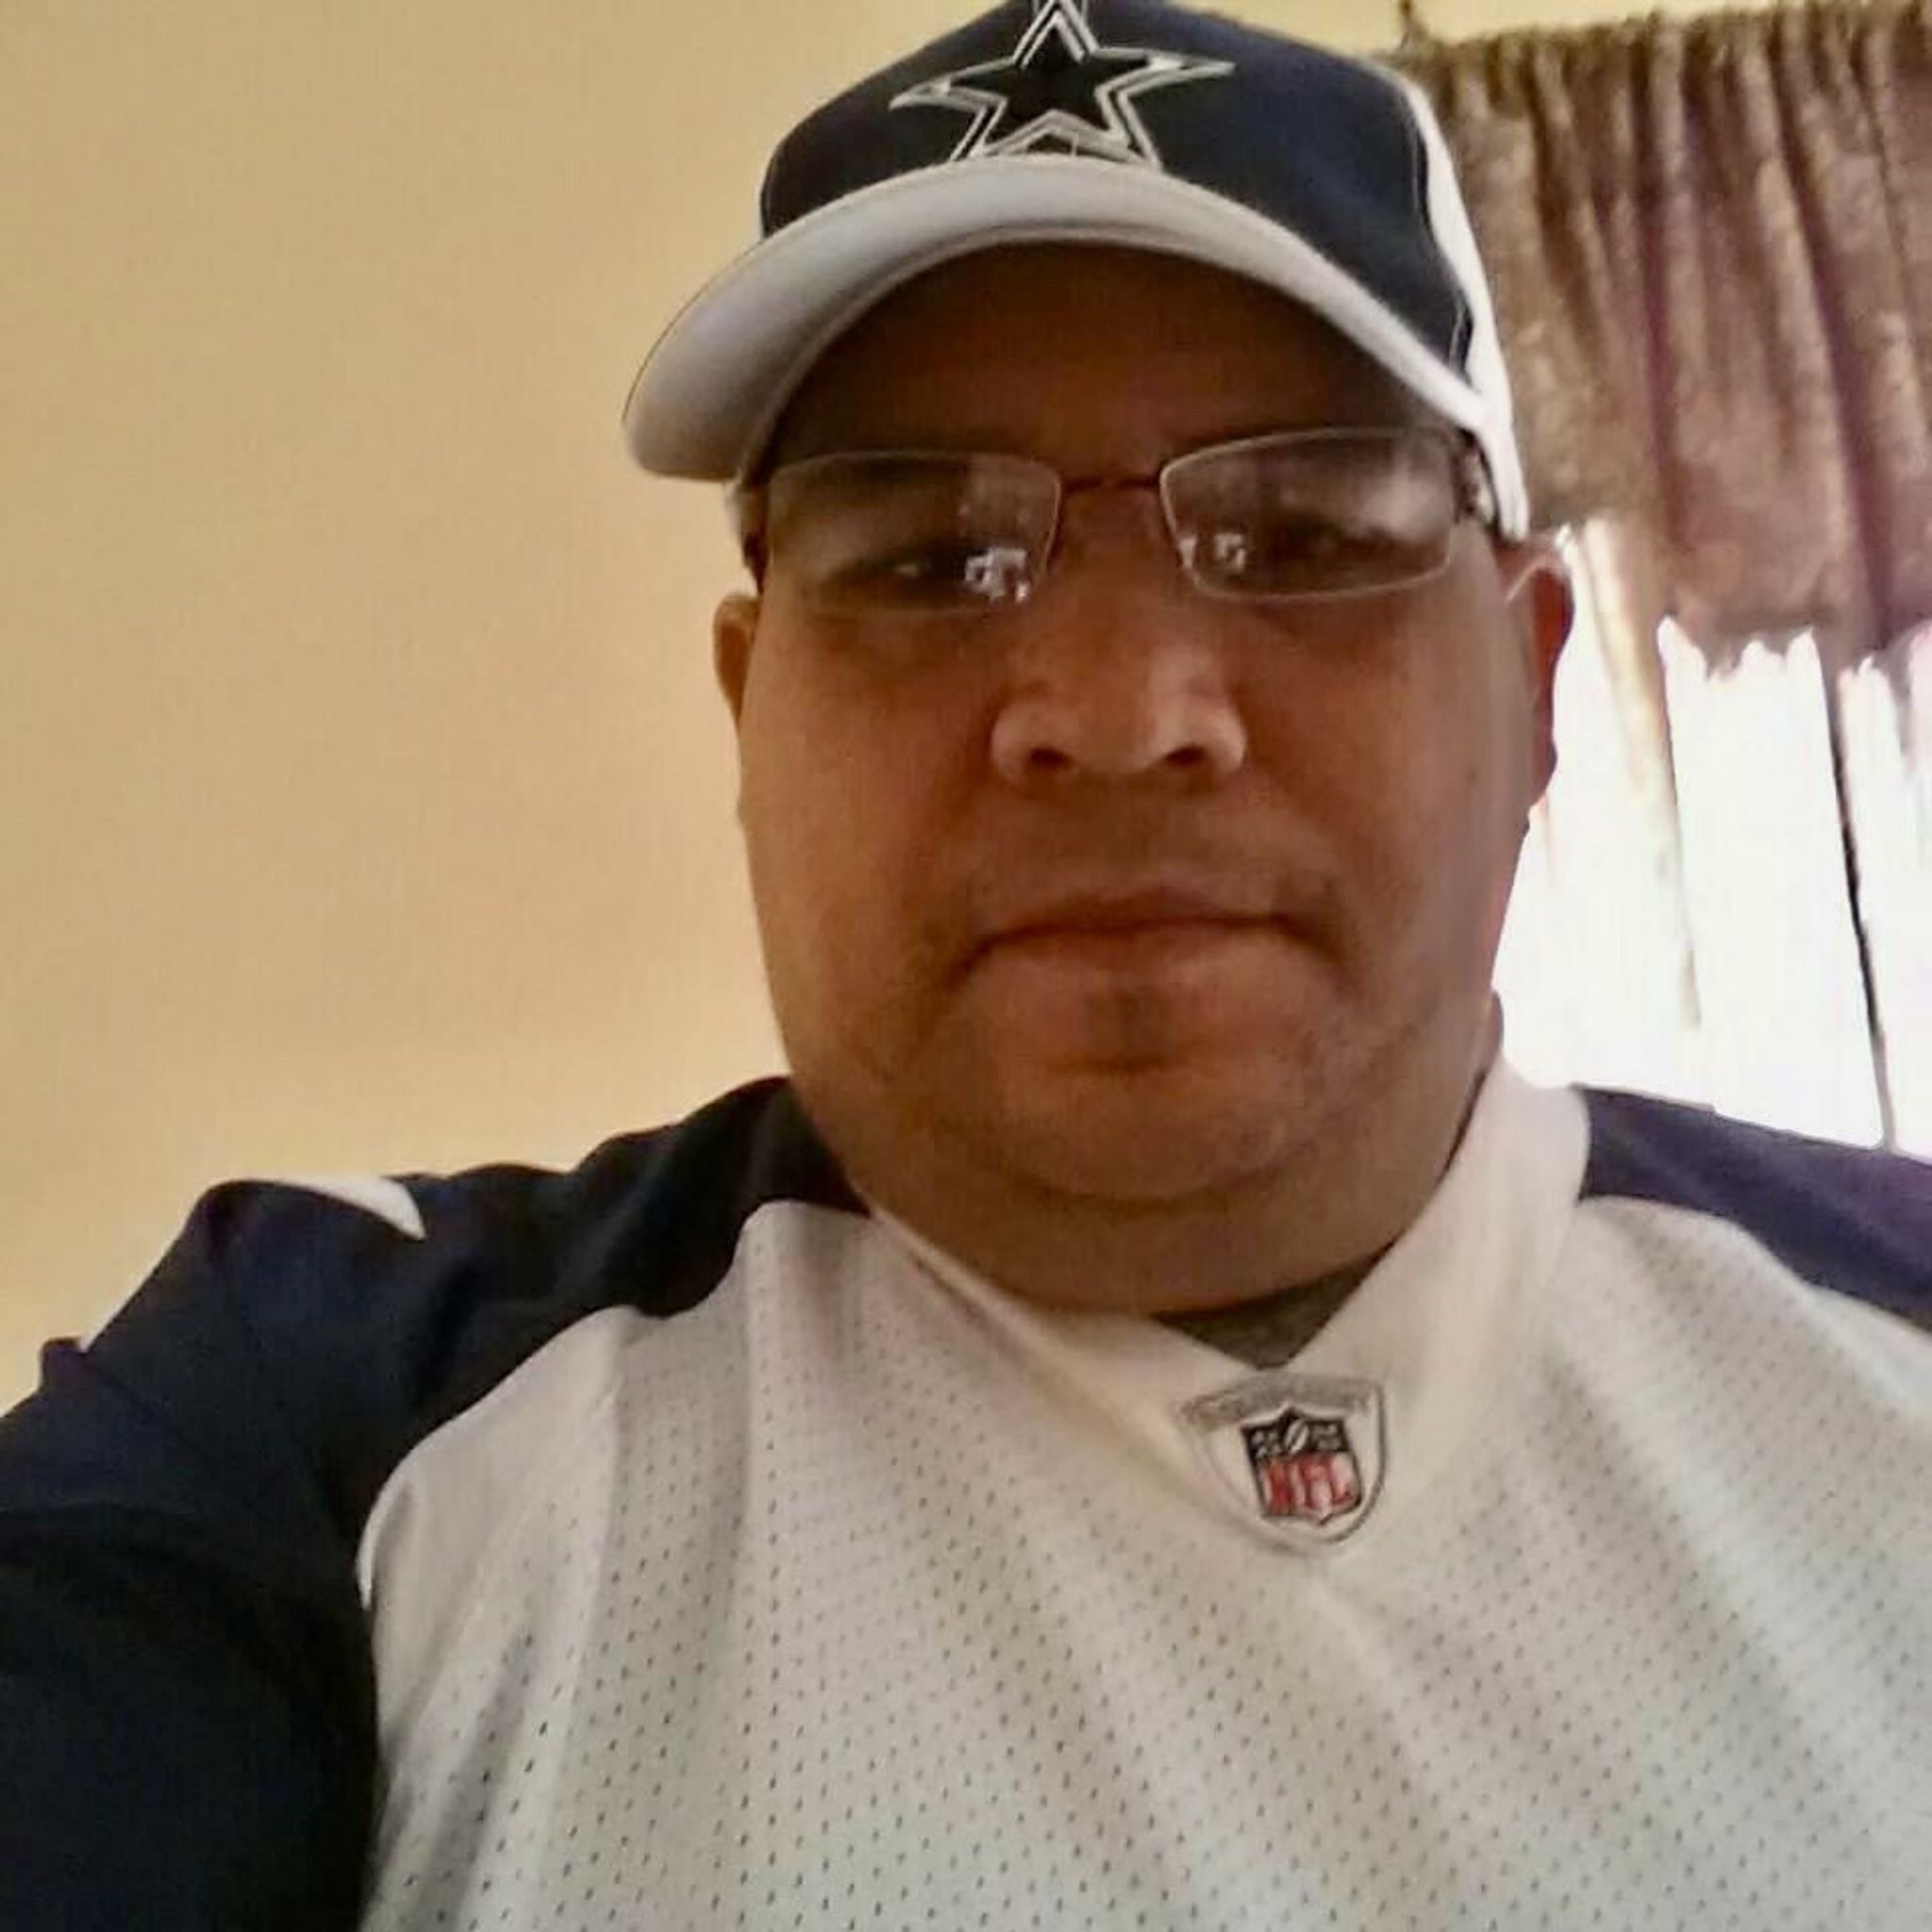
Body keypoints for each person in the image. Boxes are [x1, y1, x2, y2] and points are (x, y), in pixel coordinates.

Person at [4, 2, 1929, 1926]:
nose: (1117, 709)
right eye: (928, 558)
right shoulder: (322, 1420)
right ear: (750, 713)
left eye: (1296, 532)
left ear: (1529, 682)